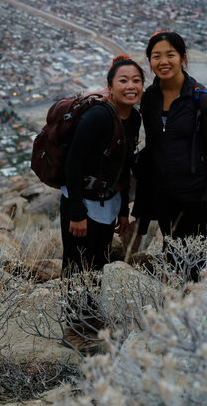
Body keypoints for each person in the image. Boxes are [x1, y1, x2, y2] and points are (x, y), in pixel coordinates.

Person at [60, 55, 144, 348]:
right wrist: (76, 212)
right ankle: (73, 328)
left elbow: (124, 168)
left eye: (136, 80)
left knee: (98, 262)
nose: (130, 86)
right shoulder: (97, 116)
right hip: (81, 202)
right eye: (123, 80)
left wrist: (123, 211)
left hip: (109, 203)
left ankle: (91, 319)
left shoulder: (134, 117)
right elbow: (73, 164)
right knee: (76, 264)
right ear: (110, 86)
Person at [133, 31, 207, 282]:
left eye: (170, 55)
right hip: (163, 194)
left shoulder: (203, 100)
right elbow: (153, 145)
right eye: (156, 56)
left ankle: (192, 311)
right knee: (172, 251)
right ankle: (177, 306)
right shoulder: (150, 98)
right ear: (149, 61)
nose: (163, 61)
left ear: (183, 58)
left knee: (192, 262)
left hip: (194, 195)